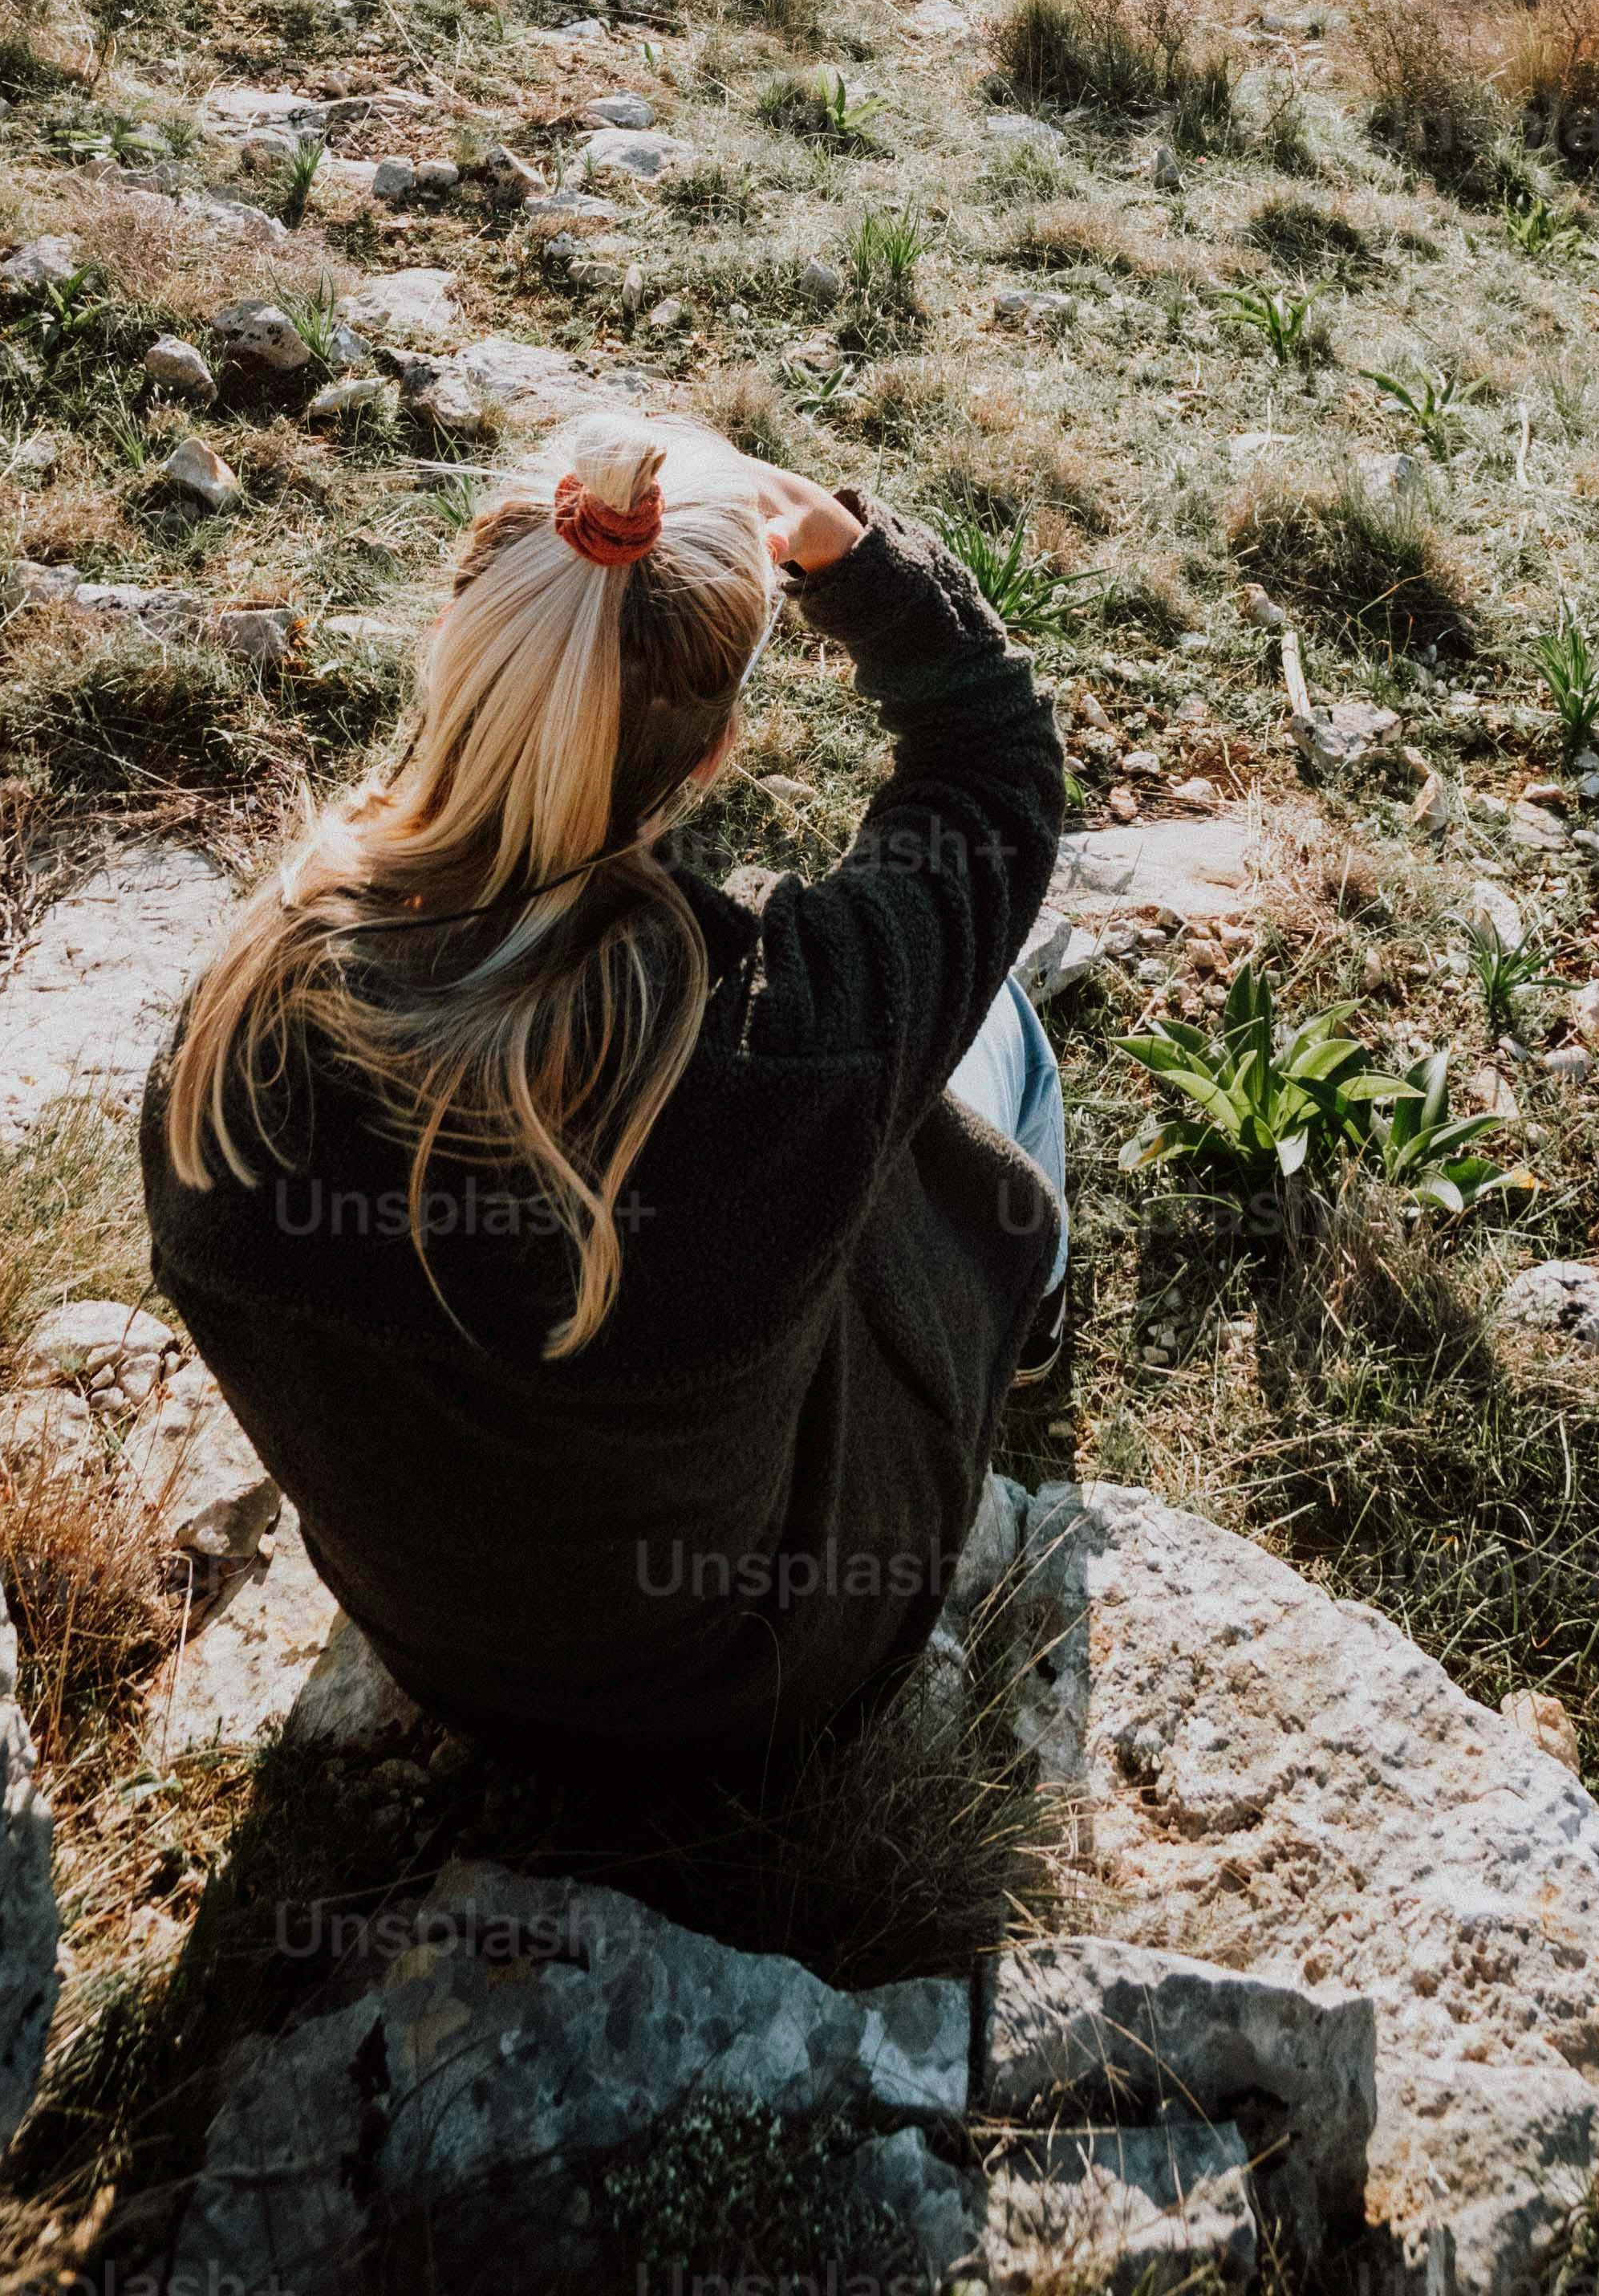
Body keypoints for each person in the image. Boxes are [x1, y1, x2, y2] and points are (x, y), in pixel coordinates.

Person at [141, 410, 1067, 1770]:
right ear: (712, 750)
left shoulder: (231, 1030)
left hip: (441, 1652)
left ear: (466, 655)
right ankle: (1026, 1337)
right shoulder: (790, 1043)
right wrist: (867, 571)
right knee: (1003, 1029)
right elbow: (994, 780)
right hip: (764, 1679)